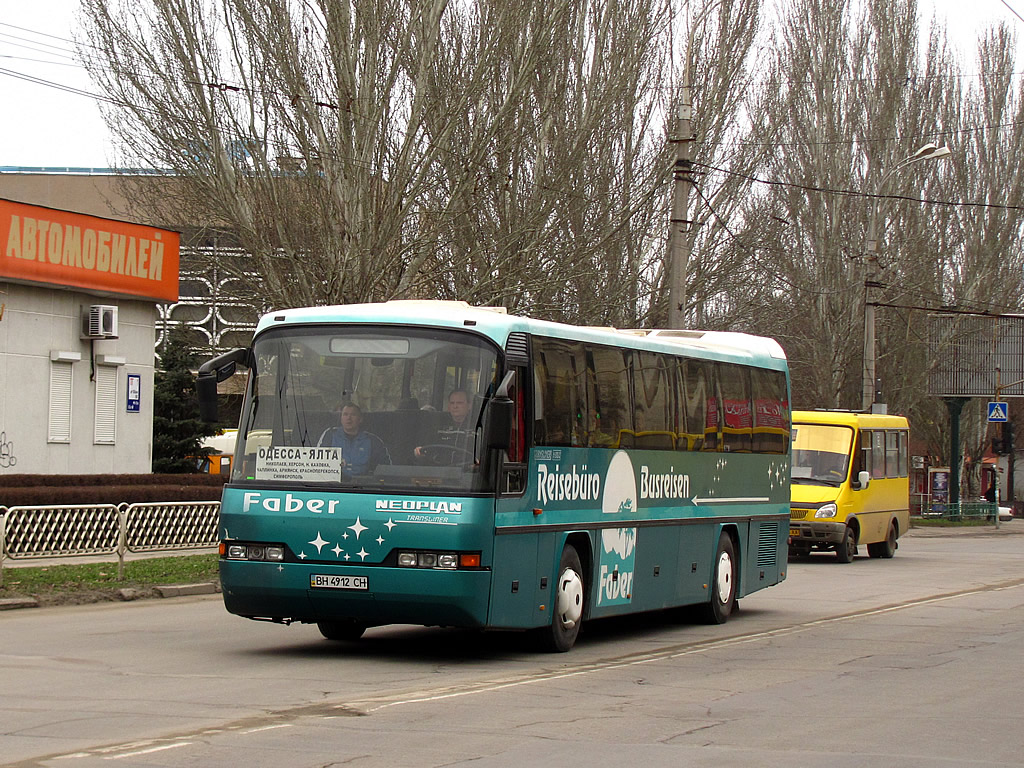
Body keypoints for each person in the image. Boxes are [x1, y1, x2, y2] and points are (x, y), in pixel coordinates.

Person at [317, 403, 390, 475]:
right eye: (345, 414)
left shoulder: (373, 440)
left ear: (360, 419)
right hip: (334, 484)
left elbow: (386, 469)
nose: (349, 418)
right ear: (341, 418)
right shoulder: (329, 435)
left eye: (353, 415)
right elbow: (317, 462)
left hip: (364, 484)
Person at [415, 389, 475, 462]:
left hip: (467, 471)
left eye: (459, 403)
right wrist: (418, 451)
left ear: (469, 405)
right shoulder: (437, 425)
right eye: (452, 403)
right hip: (438, 470)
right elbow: (425, 448)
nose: (455, 406)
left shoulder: (476, 427)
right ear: (448, 406)